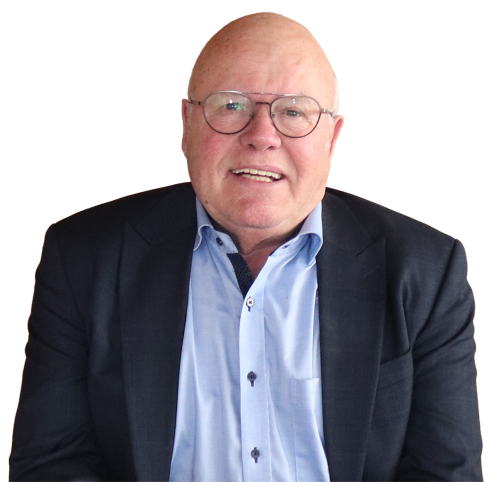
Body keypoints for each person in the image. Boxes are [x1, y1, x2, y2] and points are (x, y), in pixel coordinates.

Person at [10, 11, 482, 482]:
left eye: (293, 112)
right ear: (186, 123)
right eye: (231, 105)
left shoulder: (426, 270)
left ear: (332, 138)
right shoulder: (83, 258)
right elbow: (51, 466)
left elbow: (444, 475)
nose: (261, 137)